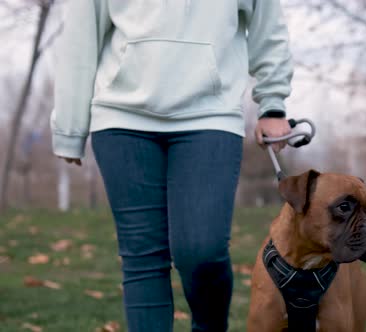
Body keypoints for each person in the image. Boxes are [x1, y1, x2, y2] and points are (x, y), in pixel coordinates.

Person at [51, 1, 293, 331]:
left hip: (211, 115)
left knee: (202, 251)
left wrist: (273, 103)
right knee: (143, 258)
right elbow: (80, 38)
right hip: (123, 118)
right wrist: (70, 126)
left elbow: (269, 28)